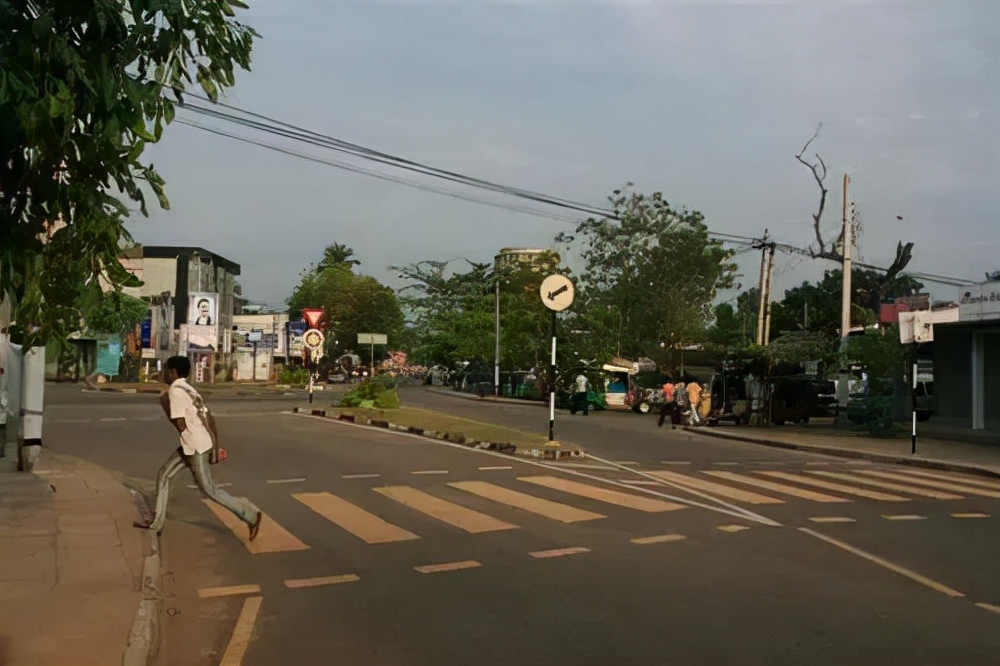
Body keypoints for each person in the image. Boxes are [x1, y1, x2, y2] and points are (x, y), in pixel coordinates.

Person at [134, 356, 262, 539]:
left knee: (209, 490)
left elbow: (179, 423)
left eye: (166, 370)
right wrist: (215, 445)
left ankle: (250, 515)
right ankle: (156, 524)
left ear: (174, 372)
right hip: (198, 444)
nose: (163, 374)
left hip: (195, 447)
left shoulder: (175, 392)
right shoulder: (190, 390)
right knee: (164, 476)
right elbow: (208, 417)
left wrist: (165, 407)